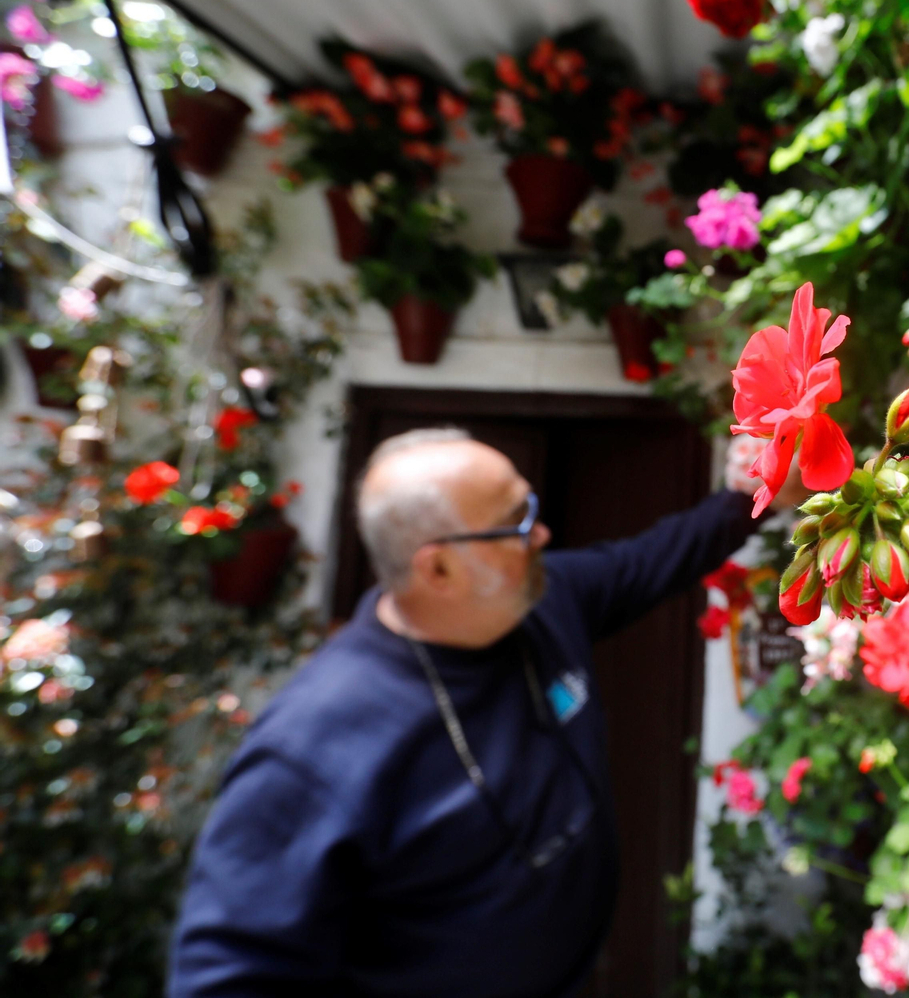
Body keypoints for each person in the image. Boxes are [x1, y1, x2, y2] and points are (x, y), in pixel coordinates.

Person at [168, 427, 796, 997]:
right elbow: (228, 976)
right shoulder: (312, 748)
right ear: (438, 568)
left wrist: (754, 493)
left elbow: (650, 560)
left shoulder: (541, 601)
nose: (541, 534)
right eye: (516, 523)